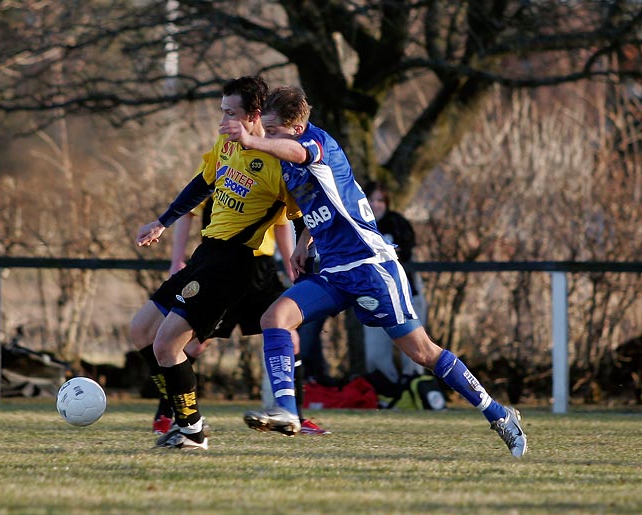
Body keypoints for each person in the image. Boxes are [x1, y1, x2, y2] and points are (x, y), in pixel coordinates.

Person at [219, 86, 528, 457]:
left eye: (273, 129)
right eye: (263, 129)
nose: (267, 136)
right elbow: (317, 205)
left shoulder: (317, 143)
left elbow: (298, 153)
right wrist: (304, 243)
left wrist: (254, 140)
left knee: (423, 353)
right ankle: (286, 411)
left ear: (297, 128)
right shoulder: (285, 155)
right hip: (333, 270)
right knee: (275, 317)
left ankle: (499, 415)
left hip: (370, 266)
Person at [131, 76, 301, 451]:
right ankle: (185, 418)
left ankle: (191, 430)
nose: (222, 120)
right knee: (141, 331)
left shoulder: (279, 162)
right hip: (205, 254)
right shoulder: (226, 143)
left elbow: (302, 215)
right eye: (221, 111)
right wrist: (163, 221)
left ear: (254, 115)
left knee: (166, 346)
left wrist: (303, 254)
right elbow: (203, 182)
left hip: (232, 264)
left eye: (230, 113)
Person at [149, 198, 330, 435]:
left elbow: (282, 223)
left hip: (261, 270)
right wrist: (177, 259)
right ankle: (167, 414)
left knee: (289, 336)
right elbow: (189, 213)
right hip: (224, 264)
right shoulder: (221, 167)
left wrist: (289, 263)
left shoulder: (277, 173)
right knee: (192, 346)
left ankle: (295, 416)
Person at [363, 181, 427, 387]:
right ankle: (387, 392)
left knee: (416, 351)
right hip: (373, 297)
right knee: (375, 354)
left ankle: (415, 390)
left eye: (380, 200)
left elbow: (407, 253)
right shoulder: (356, 223)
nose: (375, 204)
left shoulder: (397, 223)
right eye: (370, 199)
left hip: (406, 294)